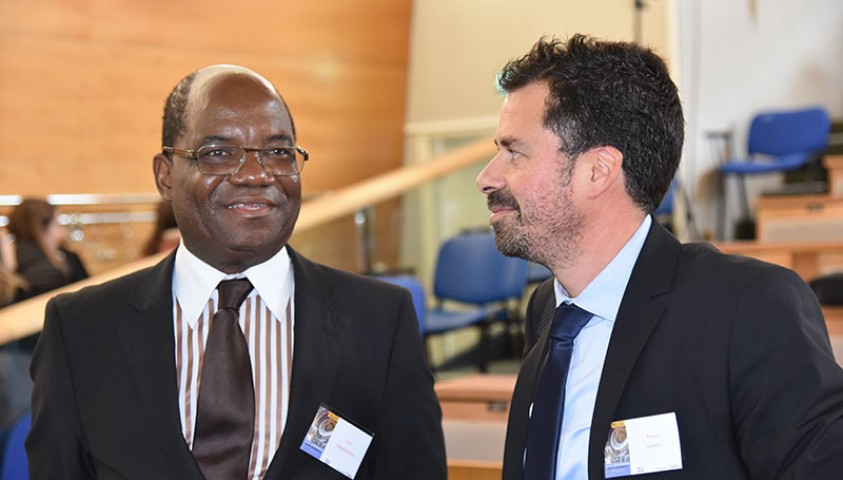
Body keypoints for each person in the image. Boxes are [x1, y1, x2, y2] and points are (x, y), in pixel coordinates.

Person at [27, 65, 446, 479]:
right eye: (218, 153)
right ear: (166, 175)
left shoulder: (379, 320)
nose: (255, 174)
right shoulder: (80, 329)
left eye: (279, 152)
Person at [477, 35, 843, 479]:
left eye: (514, 151)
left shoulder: (746, 306)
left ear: (598, 171)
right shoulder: (548, 311)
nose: (487, 177)